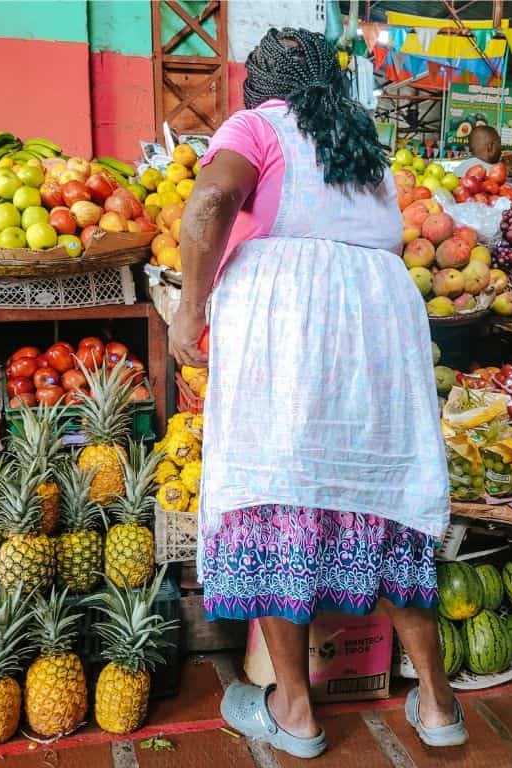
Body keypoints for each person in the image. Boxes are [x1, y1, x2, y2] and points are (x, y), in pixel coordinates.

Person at [168, 27, 463, 760]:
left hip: (291, 335)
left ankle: (295, 711)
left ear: (258, 84)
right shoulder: (357, 139)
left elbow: (209, 203)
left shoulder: (257, 124)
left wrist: (190, 304)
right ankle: (437, 703)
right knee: (383, 500)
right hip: (379, 337)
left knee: (275, 497)